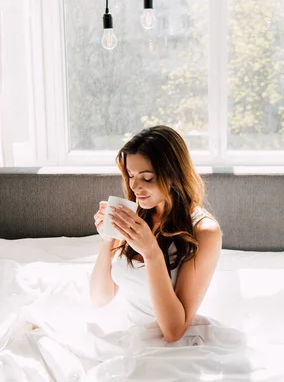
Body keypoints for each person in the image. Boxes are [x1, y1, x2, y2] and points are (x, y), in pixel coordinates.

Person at [90, 125, 222, 343]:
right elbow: (100, 298)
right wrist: (108, 239)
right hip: (131, 336)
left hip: (171, 343)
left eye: (147, 178)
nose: (134, 186)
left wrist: (151, 252)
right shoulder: (136, 216)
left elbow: (174, 331)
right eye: (131, 175)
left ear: (174, 174)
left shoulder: (204, 231)